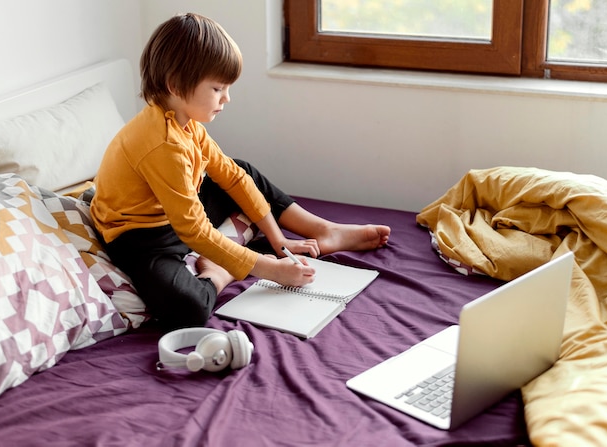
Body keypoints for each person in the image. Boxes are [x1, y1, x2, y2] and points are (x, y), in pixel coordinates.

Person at [90, 13, 390, 330]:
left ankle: (321, 229)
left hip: (173, 211)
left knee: (241, 172)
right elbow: (194, 231)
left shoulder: (185, 124)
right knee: (187, 308)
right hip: (140, 235)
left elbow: (233, 177)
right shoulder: (163, 146)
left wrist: (280, 244)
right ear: (176, 85)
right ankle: (219, 272)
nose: (226, 99)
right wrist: (269, 269)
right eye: (218, 88)